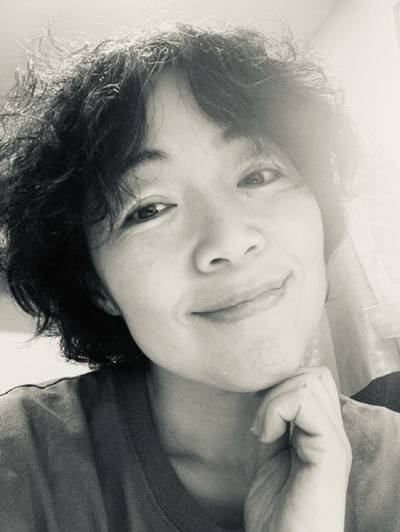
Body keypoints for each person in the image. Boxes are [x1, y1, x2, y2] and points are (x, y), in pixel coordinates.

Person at [0, 22, 399, 532]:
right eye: (149, 209)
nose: (229, 240)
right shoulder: (22, 463)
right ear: (96, 284)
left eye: (258, 175)